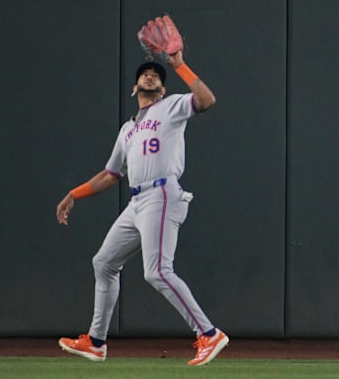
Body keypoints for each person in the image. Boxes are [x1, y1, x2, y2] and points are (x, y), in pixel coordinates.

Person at [55, 50, 228, 366]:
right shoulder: (127, 129)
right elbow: (110, 175)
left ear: (161, 88)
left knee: (158, 270)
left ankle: (208, 333)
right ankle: (95, 342)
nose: (150, 75)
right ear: (135, 87)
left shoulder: (171, 105)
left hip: (162, 194)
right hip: (137, 202)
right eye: (144, 73)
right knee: (104, 262)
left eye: (156, 75)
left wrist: (178, 66)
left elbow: (207, 100)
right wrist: (74, 193)